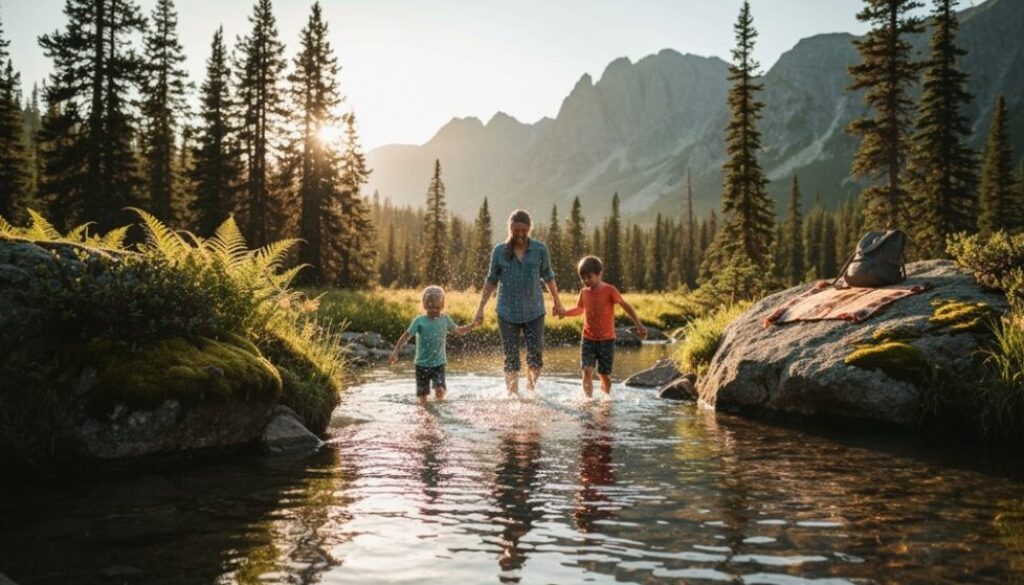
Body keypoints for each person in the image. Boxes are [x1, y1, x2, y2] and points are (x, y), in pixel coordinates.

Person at [473, 209, 565, 394]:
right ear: (510, 228)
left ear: (529, 229)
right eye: (516, 230)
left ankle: (530, 390)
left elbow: (549, 276)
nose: (520, 234)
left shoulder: (540, 250)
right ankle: (513, 395)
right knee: (511, 358)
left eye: (524, 230)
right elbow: (491, 280)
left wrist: (557, 302)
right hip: (506, 312)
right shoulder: (499, 252)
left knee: (535, 357)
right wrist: (480, 308)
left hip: (535, 312)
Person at [560, 256, 647, 396]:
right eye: (583, 278)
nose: (586, 281)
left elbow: (625, 306)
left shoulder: (610, 290)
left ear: (599, 273)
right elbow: (579, 309)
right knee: (587, 370)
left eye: (589, 276)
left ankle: (606, 398)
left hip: (607, 340)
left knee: (604, 374)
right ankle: (588, 400)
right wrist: (564, 313)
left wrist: (638, 324)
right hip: (588, 339)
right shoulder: (584, 292)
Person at [389, 285, 474, 400]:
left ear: (442, 306)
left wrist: (473, 325)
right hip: (421, 365)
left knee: (440, 390)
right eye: (430, 308)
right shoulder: (419, 321)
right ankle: (425, 413)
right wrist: (395, 352)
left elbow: (459, 331)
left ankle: (440, 409)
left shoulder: (445, 319)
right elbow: (405, 337)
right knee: (423, 396)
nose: (434, 311)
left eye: (437, 308)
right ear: (424, 305)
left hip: (439, 364)